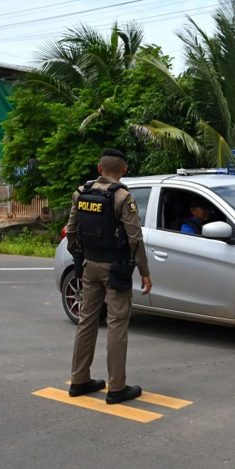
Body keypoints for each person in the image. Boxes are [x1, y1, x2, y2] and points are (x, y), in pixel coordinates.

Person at [65, 148, 152, 405]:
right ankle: (116, 387)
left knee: (86, 321)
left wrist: (80, 258)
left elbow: (72, 231)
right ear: (124, 170)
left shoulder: (81, 193)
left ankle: (79, 380)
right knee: (116, 324)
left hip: (89, 265)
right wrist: (145, 272)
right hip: (116, 269)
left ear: (99, 168)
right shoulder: (123, 197)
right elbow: (135, 239)